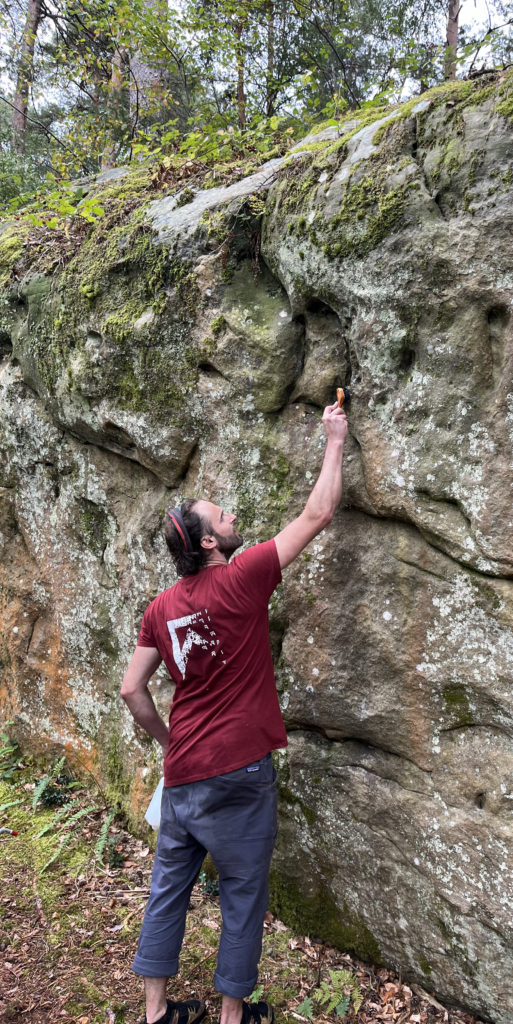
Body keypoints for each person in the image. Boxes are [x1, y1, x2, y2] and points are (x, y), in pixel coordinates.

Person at [120, 400, 348, 1024]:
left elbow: (132, 689)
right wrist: (335, 440)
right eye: (224, 514)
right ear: (212, 541)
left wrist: (168, 741)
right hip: (242, 772)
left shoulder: (159, 608)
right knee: (243, 895)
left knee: (169, 888)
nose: (235, 515)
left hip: (185, 769)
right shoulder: (244, 576)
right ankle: (230, 1016)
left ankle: (157, 1014)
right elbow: (318, 513)